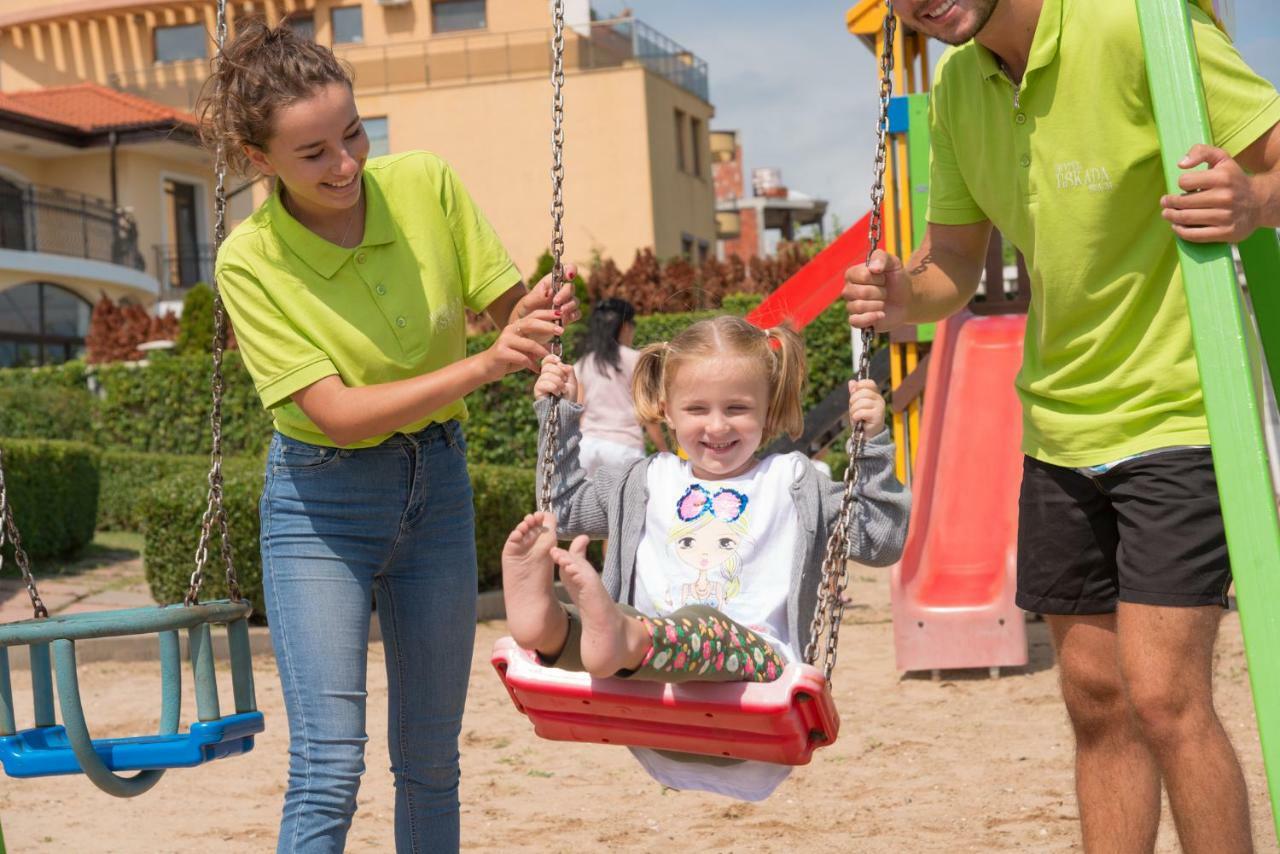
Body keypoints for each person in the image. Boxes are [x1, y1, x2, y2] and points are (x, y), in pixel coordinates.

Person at [842, 1, 1280, 851]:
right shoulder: (960, 91)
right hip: (1056, 426)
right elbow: (955, 266)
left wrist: (1255, 199)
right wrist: (904, 295)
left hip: (1180, 407)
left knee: (1163, 694)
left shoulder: (1135, 24)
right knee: (1095, 699)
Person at [196, 22, 580, 854]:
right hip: (320, 506)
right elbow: (335, 410)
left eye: (353, 134)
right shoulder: (249, 260)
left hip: (438, 490)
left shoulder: (426, 184)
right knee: (330, 766)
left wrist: (537, 313)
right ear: (261, 161)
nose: (345, 165)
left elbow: (506, 310)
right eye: (312, 154)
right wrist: (485, 365)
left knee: (432, 761)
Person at [501, 316, 910, 801]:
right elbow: (563, 508)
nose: (717, 426)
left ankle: (617, 635)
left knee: (691, 626)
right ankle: (544, 624)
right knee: (600, 626)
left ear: (768, 408)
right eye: (697, 408)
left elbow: (879, 540)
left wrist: (873, 446)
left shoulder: (794, 483)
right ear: (667, 411)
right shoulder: (644, 481)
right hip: (645, 689)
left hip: (755, 671)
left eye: (737, 408)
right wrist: (558, 415)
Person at [574, 297, 668, 474]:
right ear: (625, 327)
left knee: (587, 502)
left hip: (587, 445)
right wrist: (664, 450)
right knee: (627, 501)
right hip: (624, 447)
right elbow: (646, 411)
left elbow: (578, 408)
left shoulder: (583, 363)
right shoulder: (636, 360)